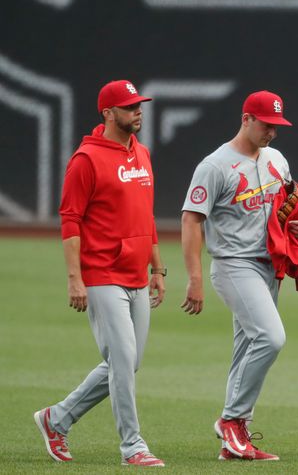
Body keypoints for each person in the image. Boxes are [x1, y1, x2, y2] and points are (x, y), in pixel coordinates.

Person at [180, 90, 298, 462]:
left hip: (267, 266)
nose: (271, 132)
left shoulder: (276, 159)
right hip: (233, 264)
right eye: (266, 124)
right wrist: (194, 277)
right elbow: (192, 220)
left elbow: (293, 204)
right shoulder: (215, 165)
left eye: (276, 126)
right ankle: (231, 421)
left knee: (247, 348)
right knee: (271, 338)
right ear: (246, 119)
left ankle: (234, 440)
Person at [33, 80, 166, 467]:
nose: (137, 111)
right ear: (108, 113)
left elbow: (147, 214)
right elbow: (70, 220)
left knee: (128, 362)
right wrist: (75, 278)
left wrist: (158, 267)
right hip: (102, 272)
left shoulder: (141, 153)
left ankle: (56, 418)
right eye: (129, 107)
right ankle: (133, 447)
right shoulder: (86, 160)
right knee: (123, 358)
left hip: (136, 273)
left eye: (139, 105)